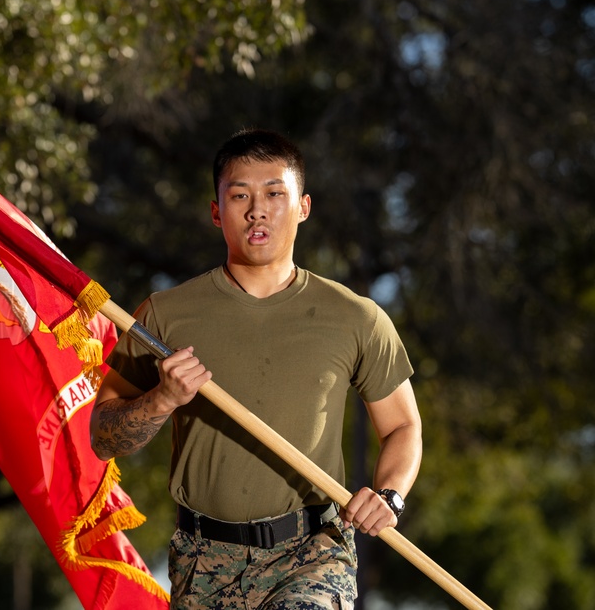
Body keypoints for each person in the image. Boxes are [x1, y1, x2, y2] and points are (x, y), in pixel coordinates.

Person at [90, 128, 422, 610]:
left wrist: (389, 496)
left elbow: (404, 426)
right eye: (239, 195)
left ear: (303, 206)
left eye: (274, 194)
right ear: (215, 211)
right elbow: (103, 438)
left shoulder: (358, 317)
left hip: (313, 553)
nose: (257, 210)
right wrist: (162, 399)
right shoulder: (164, 316)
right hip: (202, 559)